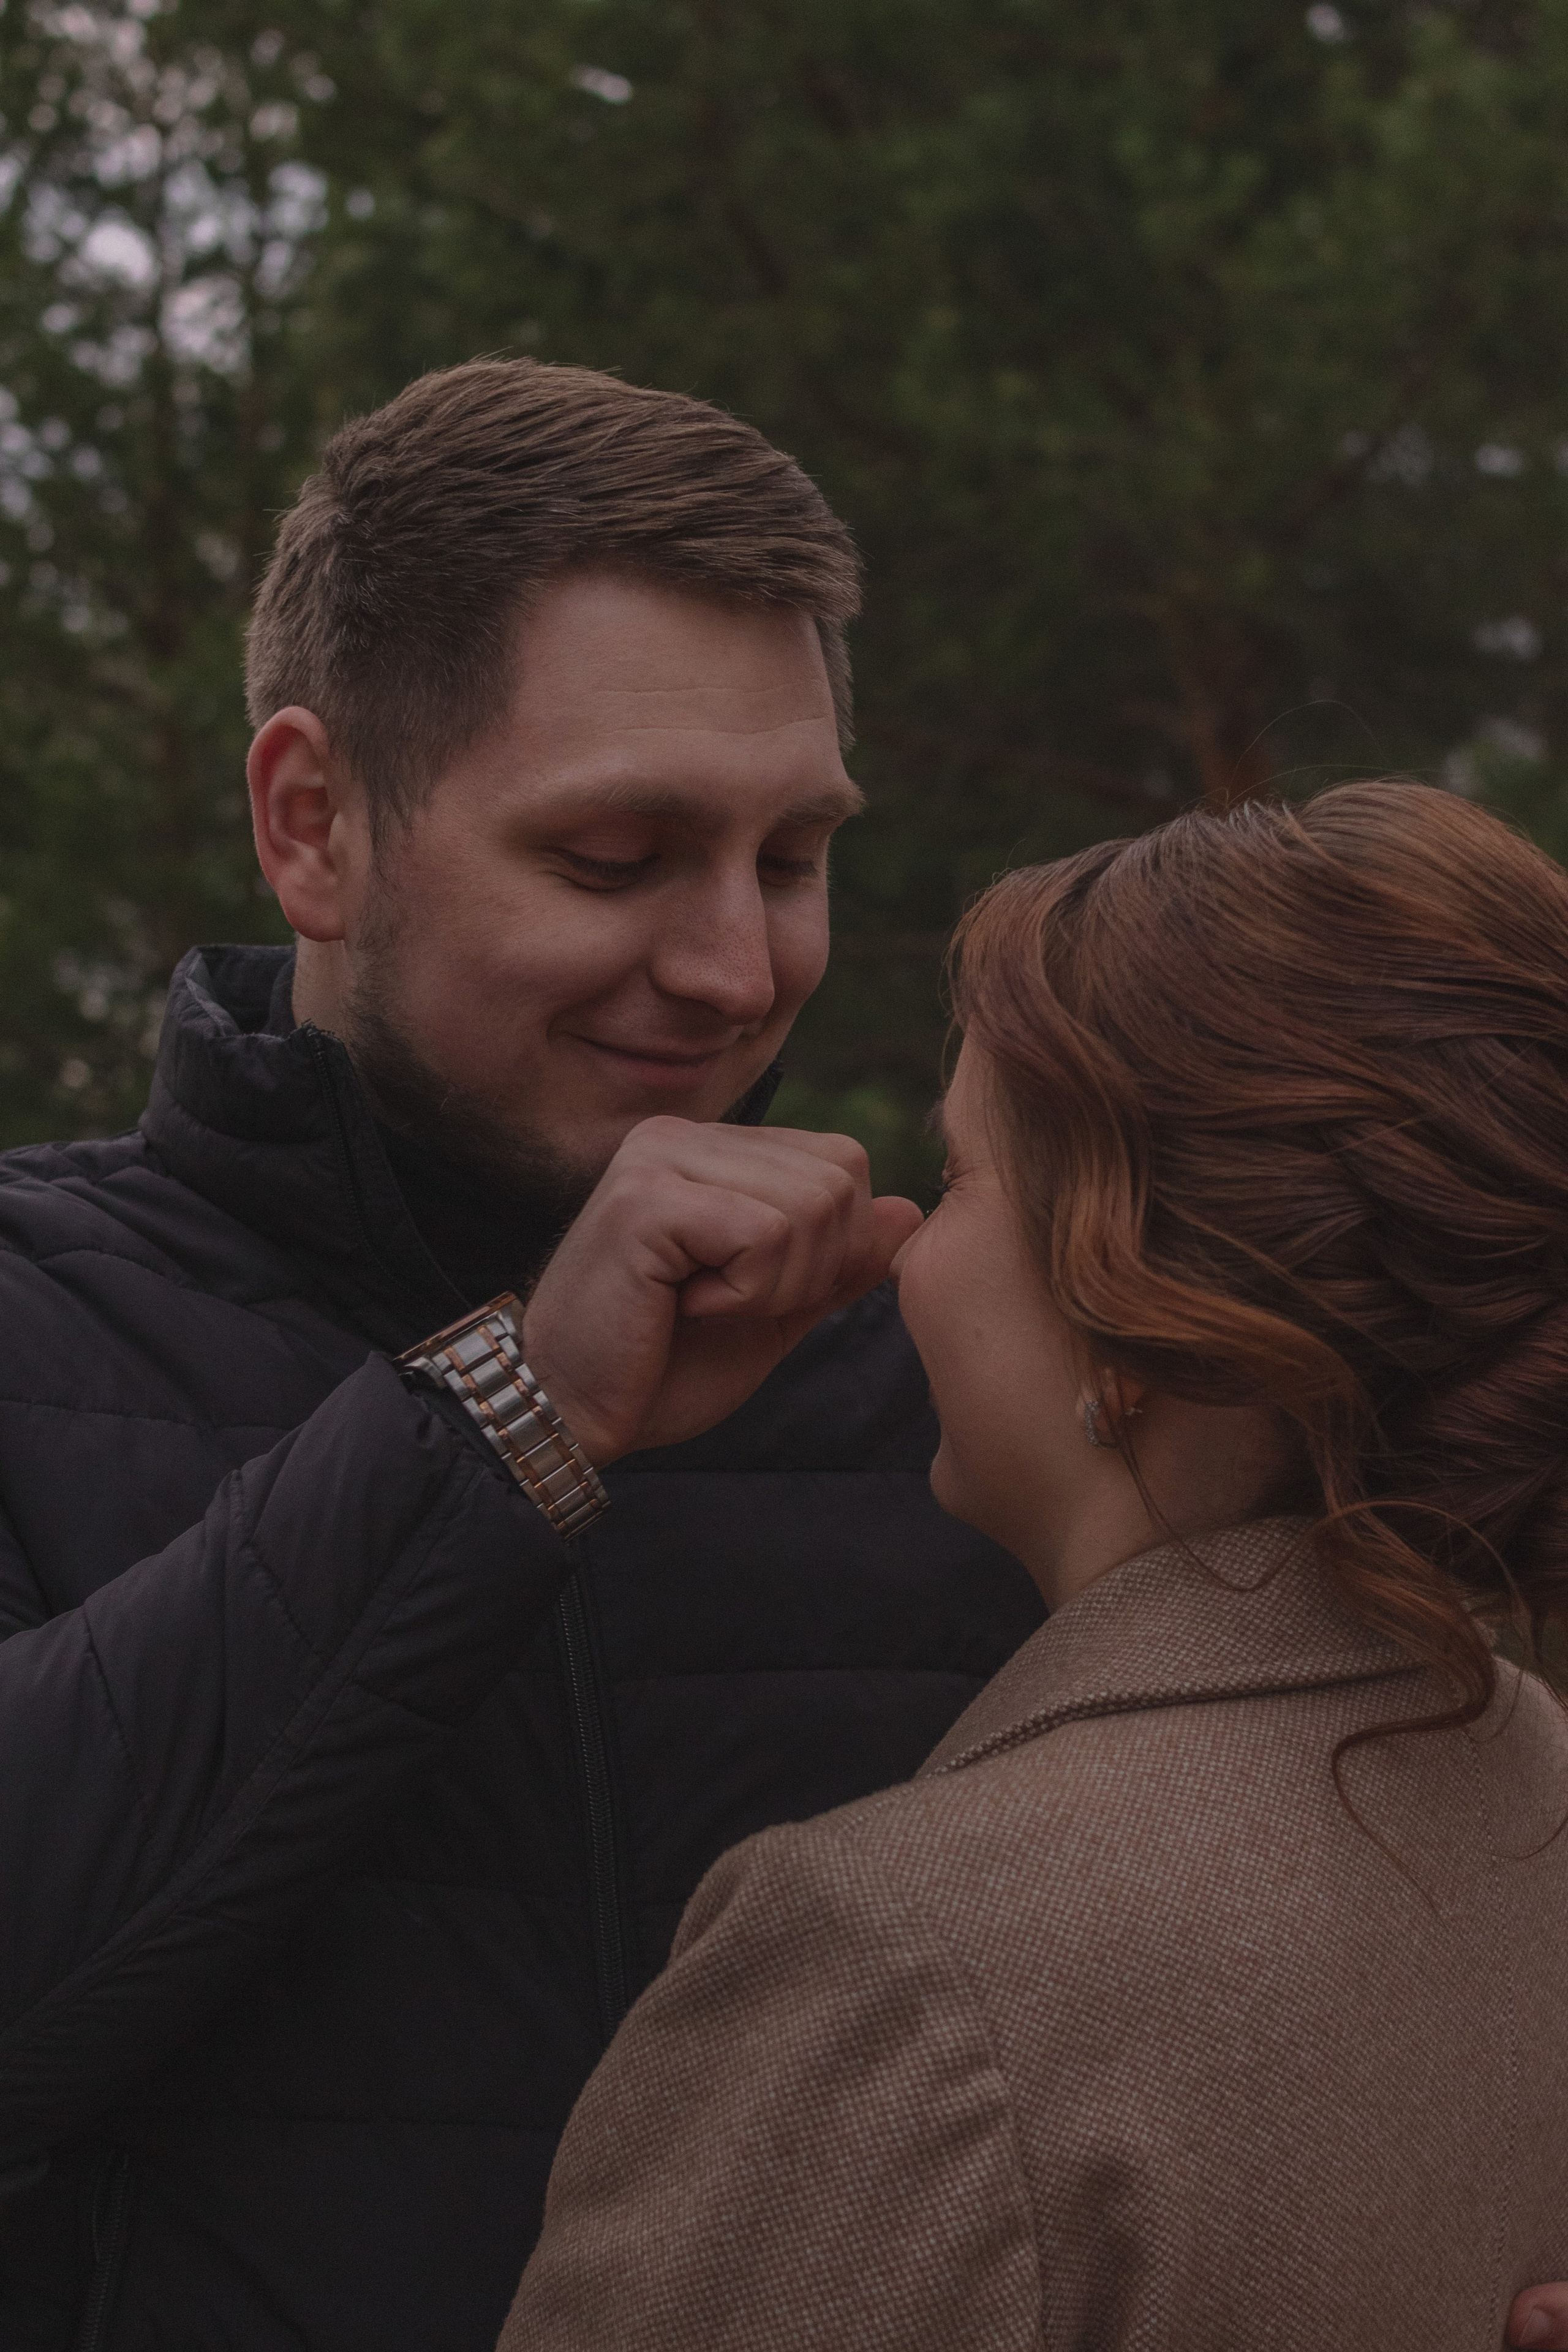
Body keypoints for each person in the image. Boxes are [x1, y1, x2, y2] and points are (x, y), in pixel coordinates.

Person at [0, 360, 1041, 2350]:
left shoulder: (937, 1383)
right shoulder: (28, 1312)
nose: (738, 969)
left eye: (792, 858)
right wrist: (516, 1421)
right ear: (315, 826)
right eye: (616, 857)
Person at [496, 780, 1568, 2351]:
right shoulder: (1536, 1791)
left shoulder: (900, 1959)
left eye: (960, 1179)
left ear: (1124, 1306)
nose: (902, 1243)